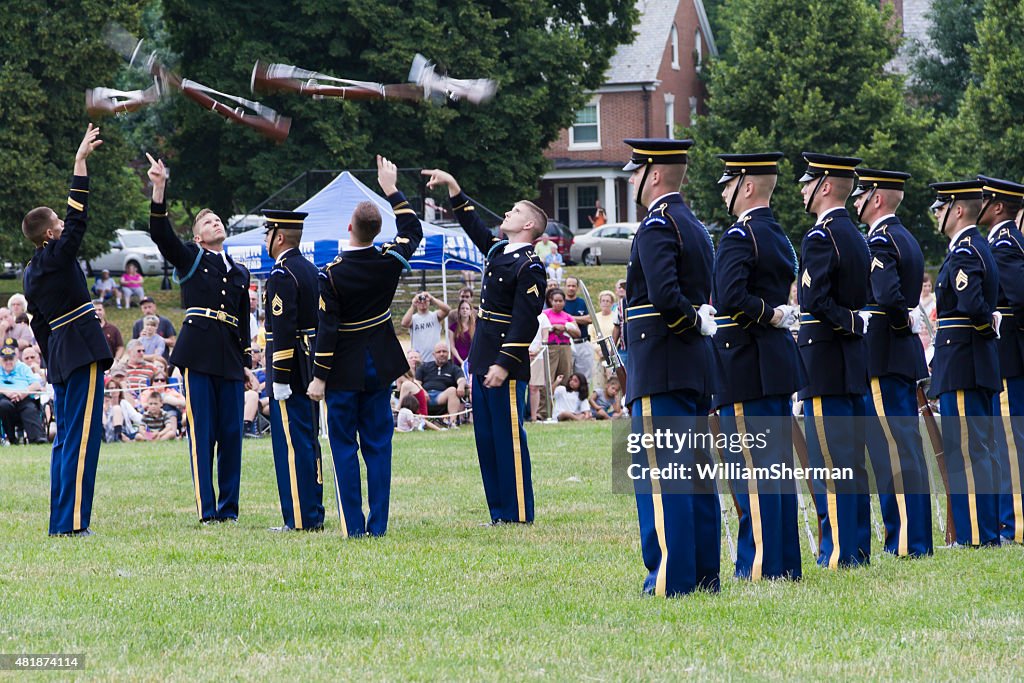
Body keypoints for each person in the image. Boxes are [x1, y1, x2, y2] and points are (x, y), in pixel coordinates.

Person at [621, 137, 719, 596]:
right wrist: (696, 318)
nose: (632, 179)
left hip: (660, 363)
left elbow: (662, 295)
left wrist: (689, 316)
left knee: (664, 478)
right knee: (697, 477)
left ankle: (668, 579)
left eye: (636, 171)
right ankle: (702, 576)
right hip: (691, 365)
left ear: (653, 174)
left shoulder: (658, 225)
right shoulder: (695, 225)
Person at [422, 166, 547, 525]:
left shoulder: (530, 266)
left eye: (516, 211)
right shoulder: (499, 252)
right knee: (487, 442)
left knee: (508, 441)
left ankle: (519, 512)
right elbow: (474, 226)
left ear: (528, 227)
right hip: (482, 360)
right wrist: (454, 186)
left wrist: (504, 363)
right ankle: (499, 514)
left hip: (504, 363)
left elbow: (526, 320)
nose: (508, 213)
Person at [307, 155, 423, 538]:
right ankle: (379, 526)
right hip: (379, 362)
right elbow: (412, 228)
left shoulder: (333, 273)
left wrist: (319, 377)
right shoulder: (389, 261)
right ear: (375, 231)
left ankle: (353, 527)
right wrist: (392, 189)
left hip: (342, 368)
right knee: (378, 447)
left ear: (349, 227)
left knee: (343, 447)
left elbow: (328, 328)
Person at [146, 152, 255, 525]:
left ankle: (229, 510)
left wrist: (246, 365)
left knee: (232, 436)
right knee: (203, 434)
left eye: (218, 219)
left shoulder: (240, 271)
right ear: (198, 236)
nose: (216, 223)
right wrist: (159, 187)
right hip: (198, 354)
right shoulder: (191, 257)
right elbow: (161, 235)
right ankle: (207, 511)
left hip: (228, 355)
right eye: (209, 222)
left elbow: (242, 321)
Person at [711, 152, 806, 581]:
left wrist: (768, 313)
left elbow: (730, 297)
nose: (724, 191)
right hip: (773, 361)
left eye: (729, 183)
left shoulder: (739, 235)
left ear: (747, 186)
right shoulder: (777, 233)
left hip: (745, 362)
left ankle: (759, 566)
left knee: (752, 474)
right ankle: (784, 562)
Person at [21, 124, 113, 536]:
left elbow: (39, 326)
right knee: (82, 440)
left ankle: (61, 521)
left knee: (64, 441)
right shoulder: (56, 254)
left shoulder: (30, 274)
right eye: (57, 222)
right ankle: (74, 524)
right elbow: (78, 219)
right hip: (82, 347)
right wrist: (79, 164)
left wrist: (53, 355)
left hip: (60, 352)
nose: (63, 224)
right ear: (49, 234)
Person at [852, 168, 933, 558]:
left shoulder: (880, 241)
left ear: (877, 198)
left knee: (892, 451)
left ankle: (905, 541)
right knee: (906, 448)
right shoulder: (907, 237)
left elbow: (887, 295)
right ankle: (914, 538)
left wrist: (901, 319)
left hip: (883, 355)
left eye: (861, 194)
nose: (855, 201)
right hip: (900, 355)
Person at [796, 152, 871, 569]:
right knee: (851, 462)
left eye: (809, 183)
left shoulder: (820, 237)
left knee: (831, 463)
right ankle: (857, 547)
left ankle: (840, 552)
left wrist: (849, 323)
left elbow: (814, 299)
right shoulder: (857, 235)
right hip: (851, 365)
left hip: (825, 362)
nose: (803, 190)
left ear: (825, 186)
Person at [928, 180, 1001, 547]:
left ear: (957, 210)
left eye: (941, 208)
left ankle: (975, 534)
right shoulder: (979, 247)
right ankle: (983, 531)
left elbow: (972, 306)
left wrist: (986, 323)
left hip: (963, 361)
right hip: (976, 359)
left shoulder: (965, 253)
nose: (937, 215)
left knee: (968, 450)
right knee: (981, 449)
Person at [262, 208, 325, 533]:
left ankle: (300, 518)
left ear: (279, 236)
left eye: (268, 232)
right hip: (310, 365)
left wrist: (281, 378)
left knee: (293, 443)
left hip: (291, 369)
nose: (265, 239)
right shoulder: (311, 270)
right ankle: (314, 511)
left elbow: (283, 330)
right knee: (308, 439)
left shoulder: (282, 275)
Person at [977, 175, 1024, 544]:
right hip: (1007, 353)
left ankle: (1016, 524)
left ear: (996, 207)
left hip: (1009, 354)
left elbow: (1018, 298)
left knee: (1011, 440)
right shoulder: (1002, 241)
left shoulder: (1004, 244)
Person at [0, 346, 47, 444]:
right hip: (4, 398)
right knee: (4, 406)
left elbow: (36, 384)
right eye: (5, 359)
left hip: (24, 397)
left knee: (30, 409)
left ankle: (37, 438)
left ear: (16, 359)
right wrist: (7, 392)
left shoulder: (23, 368)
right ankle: (12, 439)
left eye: (11, 359)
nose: (8, 362)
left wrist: (22, 393)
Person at [416, 341, 467, 426]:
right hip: (424, 395)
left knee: (452, 390)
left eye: (444, 351)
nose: (442, 354)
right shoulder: (424, 367)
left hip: (442, 396)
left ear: (448, 353)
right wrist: (422, 391)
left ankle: (452, 423)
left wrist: (461, 386)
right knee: (408, 386)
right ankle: (403, 420)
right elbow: (416, 383)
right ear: (433, 354)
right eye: (438, 352)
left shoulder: (454, 368)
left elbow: (461, 379)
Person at [401, 291, 450, 364]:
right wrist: (413, 305)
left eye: (425, 300)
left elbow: (447, 310)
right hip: (419, 360)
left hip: (435, 359)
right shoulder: (413, 318)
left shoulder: (435, 315)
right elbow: (404, 323)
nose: (422, 302)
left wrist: (432, 298)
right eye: (420, 301)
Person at [543, 288, 578, 387]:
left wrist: (565, 328)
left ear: (564, 302)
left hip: (565, 347)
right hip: (550, 348)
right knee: (548, 377)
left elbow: (577, 332)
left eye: (560, 301)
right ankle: (546, 401)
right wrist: (553, 328)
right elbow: (538, 329)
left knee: (565, 377)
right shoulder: (545, 314)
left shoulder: (567, 316)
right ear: (551, 301)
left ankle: (563, 400)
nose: (558, 303)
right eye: (556, 301)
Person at [563, 277, 594, 384]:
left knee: (584, 379)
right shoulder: (560, 302)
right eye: (569, 285)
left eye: (573, 286)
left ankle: (582, 399)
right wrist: (580, 319)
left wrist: (569, 318)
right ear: (565, 287)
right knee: (566, 377)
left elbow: (590, 319)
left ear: (577, 288)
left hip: (583, 344)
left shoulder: (582, 302)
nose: (571, 288)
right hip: (566, 344)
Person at [449, 300, 476, 367]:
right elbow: (452, 346)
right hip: (457, 362)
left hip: (472, 362)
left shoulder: (476, 327)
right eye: (462, 308)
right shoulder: (453, 327)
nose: (465, 310)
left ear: (470, 312)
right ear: (459, 311)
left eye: (467, 308)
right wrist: (461, 362)